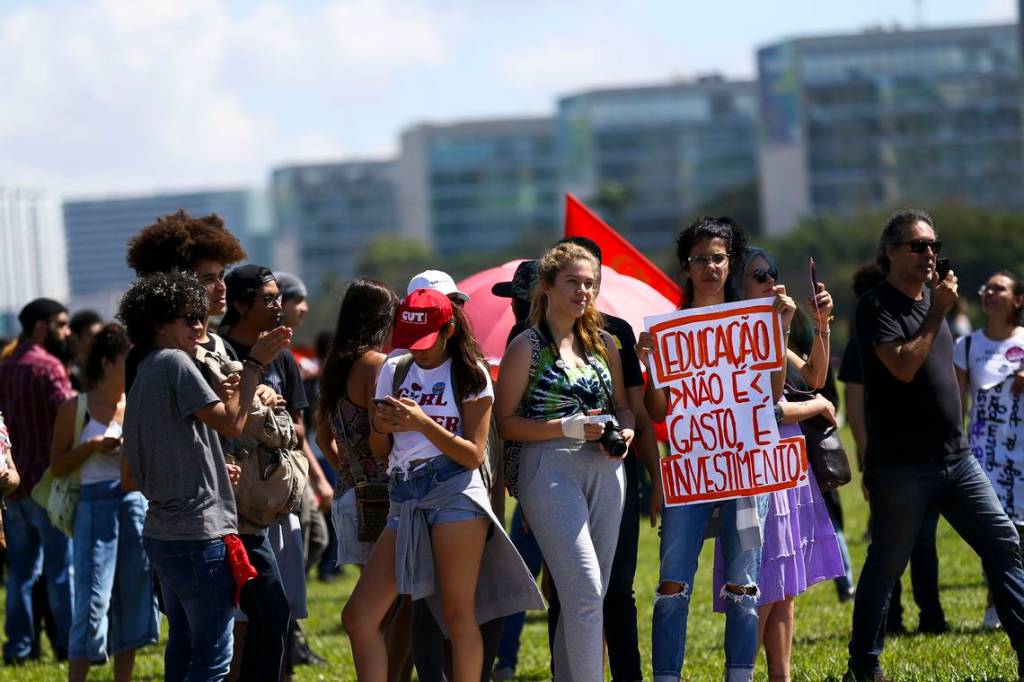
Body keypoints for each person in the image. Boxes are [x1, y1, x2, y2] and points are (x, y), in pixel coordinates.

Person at [845, 209, 1024, 682]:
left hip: (957, 459)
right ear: (890, 252)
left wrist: (936, 308)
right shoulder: (877, 306)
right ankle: (863, 667)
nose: (930, 254)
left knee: (1003, 543)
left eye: (934, 246)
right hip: (903, 466)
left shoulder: (931, 301)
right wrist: (938, 311)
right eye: (918, 246)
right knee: (886, 566)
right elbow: (902, 366)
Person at [126, 209, 294, 681]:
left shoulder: (165, 356)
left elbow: (181, 435)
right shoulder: (173, 360)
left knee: (191, 640)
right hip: (203, 524)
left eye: (222, 277)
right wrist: (255, 370)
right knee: (222, 645)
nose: (219, 289)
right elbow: (231, 423)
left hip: (190, 518)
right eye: (207, 280)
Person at [344, 288, 542, 682]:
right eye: (409, 341)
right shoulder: (393, 369)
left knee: (456, 614)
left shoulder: (471, 374)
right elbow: (381, 450)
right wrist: (380, 427)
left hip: (454, 492)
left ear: (449, 329)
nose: (416, 350)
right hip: (403, 496)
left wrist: (422, 423)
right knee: (359, 616)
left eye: (425, 341)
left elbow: (472, 454)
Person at [637, 217, 795, 682]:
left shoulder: (753, 321)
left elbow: (770, 392)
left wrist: (780, 329)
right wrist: (651, 366)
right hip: (690, 472)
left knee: (744, 586)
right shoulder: (670, 330)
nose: (710, 266)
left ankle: (739, 676)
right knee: (671, 585)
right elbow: (658, 409)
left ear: (731, 263)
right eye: (701, 258)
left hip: (747, 473)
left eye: (719, 258)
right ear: (686, 266)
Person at [495, 242, 636, 681]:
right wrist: (567, 427)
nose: (583, 291)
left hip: (607, 469)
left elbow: (623, 406)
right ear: (548, 286)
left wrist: (625, 431)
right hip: (549, 468)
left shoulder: (605, 342)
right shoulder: (527, 347)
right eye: (573, 282)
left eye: (590, 283)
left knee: (586, 597)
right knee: (585, 590)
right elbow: (505, 424)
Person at [713, 247, 844, 682]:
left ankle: (780, 677)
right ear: (739, 287)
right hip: (754, 473)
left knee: (784, 588)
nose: (771, 281)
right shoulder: (731, 339)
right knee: (761, 586)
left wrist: (821, 326)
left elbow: (814, 377)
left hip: (787, 471)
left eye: (773, 274)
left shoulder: (771, 334)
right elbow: (766, 410)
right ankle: (742, 675)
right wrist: (817, 406)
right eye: (759, 275)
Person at [221, 264, 330, 675]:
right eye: (267, 299)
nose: (278, 305)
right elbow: (223, 423)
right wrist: (257, 401)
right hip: (238, 505)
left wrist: (315, 482)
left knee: (281, 612)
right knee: (241, 622)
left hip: (281, 497)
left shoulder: (282, 358)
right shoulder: (221, 352)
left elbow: (300, 428)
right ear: (240, 305)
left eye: (277, 296)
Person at [839, 262, 945, 632]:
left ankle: (913, 618)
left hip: (912, 454)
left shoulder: (923, 321)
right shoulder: (880, 332)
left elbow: (854, 406)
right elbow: (854, 403)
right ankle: (912, 618)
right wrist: (869, 459)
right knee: (901, 546)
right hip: (892, 458)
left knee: (900, 544)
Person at [49, 323, 158, 682]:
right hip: (93, 508)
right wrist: (92, 448)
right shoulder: (76, 406)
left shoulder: (138, 405)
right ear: (109, 362)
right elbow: (57, 466)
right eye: (130, 358)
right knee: (92, 600)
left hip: (133, 505)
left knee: (133, 596)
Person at [315, 279, 412, 682]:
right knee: (397, 605)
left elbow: (322, 436)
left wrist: (349, 470)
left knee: (381, 605)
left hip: (349, 497)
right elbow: (386, 436)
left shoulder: (335, 367)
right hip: (381, 501)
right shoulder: (378, 365)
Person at [0, 298, 74, 665]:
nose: (67, 332)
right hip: (50, 485)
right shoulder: (50, 368)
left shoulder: (6, 366)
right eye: (61, 324)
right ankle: (67, 645)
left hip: (12, 487)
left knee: (21, 575)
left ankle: (18, 648)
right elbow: (73, 413)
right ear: (42, 327)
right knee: (60, 572)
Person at [954, 270, 1024, 630]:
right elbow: (958, 404)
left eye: (1000, 289)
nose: (990, 293)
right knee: (997, 532)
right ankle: (995, 603)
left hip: (1022, 450)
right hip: (985, 453)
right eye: (987, 288)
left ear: (1017, 300)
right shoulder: (967, 346)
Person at [67, 310, 103, 392]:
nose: (97, 341)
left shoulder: (107, 368)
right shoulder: (66, 371)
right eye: (91, 336)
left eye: (100, 335)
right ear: (75, 338)